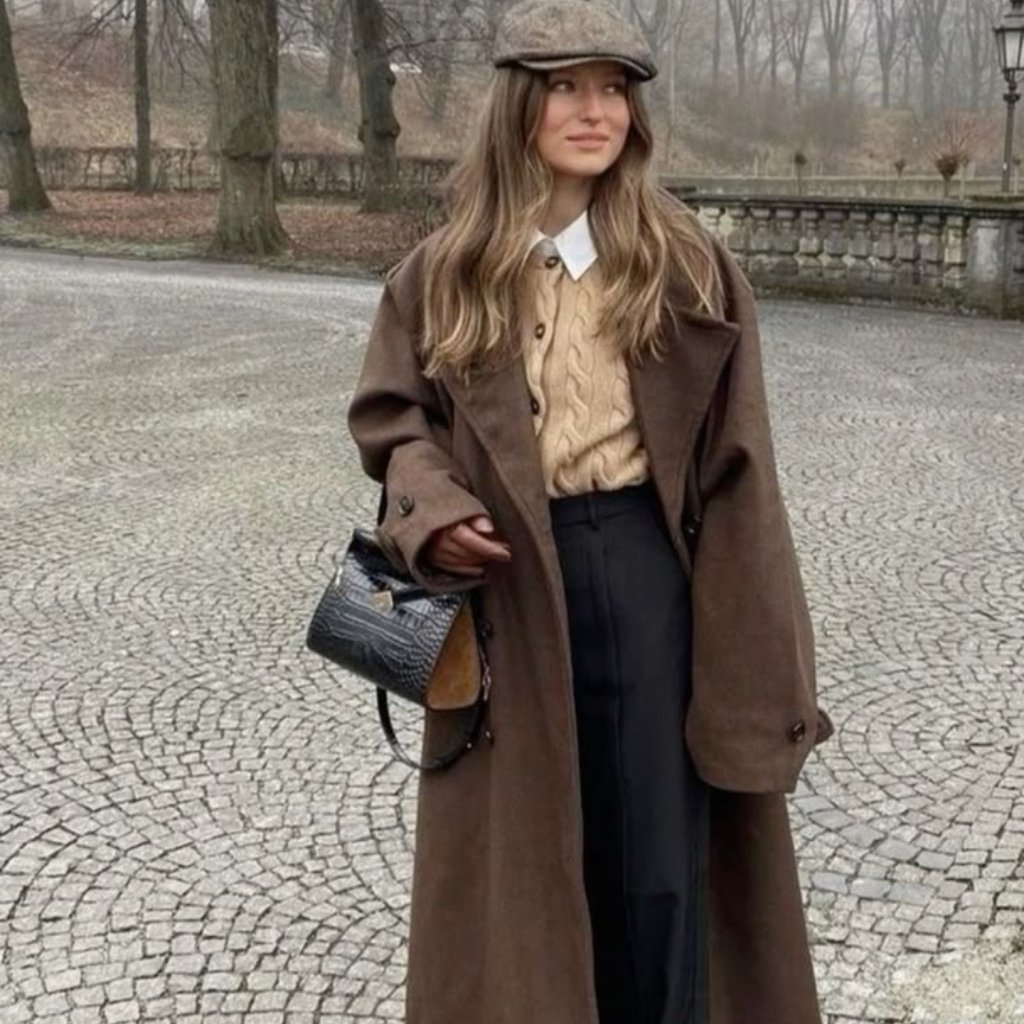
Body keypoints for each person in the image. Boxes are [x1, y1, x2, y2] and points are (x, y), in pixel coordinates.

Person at [347, 1, 834, 1022]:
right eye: (565, 86)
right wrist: (434, 509)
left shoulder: (686, 265)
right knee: (530, 857)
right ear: (517, 105)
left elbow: (740, 470)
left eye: (612, 89)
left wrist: (760, 660)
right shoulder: (442, 273)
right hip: (507, 588)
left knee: (658, 858)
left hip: (653, 578)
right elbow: (395, 422)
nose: (593, 111)